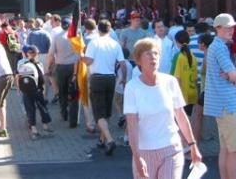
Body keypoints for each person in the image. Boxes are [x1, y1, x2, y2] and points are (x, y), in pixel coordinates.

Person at [124, 38, 201, 179]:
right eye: (148, 53)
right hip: (145, 152)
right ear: (139, 60)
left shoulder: (170, 82)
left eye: (156, 53)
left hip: (171, 149)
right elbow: (132, 125)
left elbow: (181, 116)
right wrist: (137, 157)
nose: (153, 57)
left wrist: (192, 145)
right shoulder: (132, 88)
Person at [204, 13, 236, 179]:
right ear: (218, 28)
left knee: (226, 149)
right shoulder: (220, 47)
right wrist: (234, 75)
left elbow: (231, 74)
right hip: (227, 105)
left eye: (232, 27)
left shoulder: (215, 46)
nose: (231, 30)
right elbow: (235, 76)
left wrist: (231, 75)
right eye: (227, 27)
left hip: (220, 105)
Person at [82, 20, 126, 156]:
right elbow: (122, 63)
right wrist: (124, 78)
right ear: (110, 29)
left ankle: (110, 140)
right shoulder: (115, 44)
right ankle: (102, 139)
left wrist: (81, 57)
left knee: (99, 113)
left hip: (97, 78)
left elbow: (88, 61)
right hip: (111, 78)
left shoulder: (94, 43)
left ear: (98, 30)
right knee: (106, 110)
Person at [47, 18, 80, 128]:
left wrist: (48, 66)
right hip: (74, 67)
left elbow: (51, 54)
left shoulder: (57, 37)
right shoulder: (76, 37)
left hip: (60, 67)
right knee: (74, 93)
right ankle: (73, 120)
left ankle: (64, 113)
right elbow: (80, 54)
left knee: (62, 92)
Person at [16, 45, 52, 139]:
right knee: (42, 108)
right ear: (37, 54)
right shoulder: (39, 64)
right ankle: (45, 126)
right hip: (37, 90)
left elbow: (17, 77)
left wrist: (19, 89)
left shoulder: (22, 63)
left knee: (30, 110)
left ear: (27, 54)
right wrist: (44, 91)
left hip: (26, 91)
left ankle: (34, 130)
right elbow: (42, 78)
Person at [170, 30, 198, 117]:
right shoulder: (193, 57)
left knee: (180, 121)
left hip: (181, 94)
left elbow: (174, 77)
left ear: (177, 42)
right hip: (192, 93)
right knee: (188, 118)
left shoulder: (178, 56)